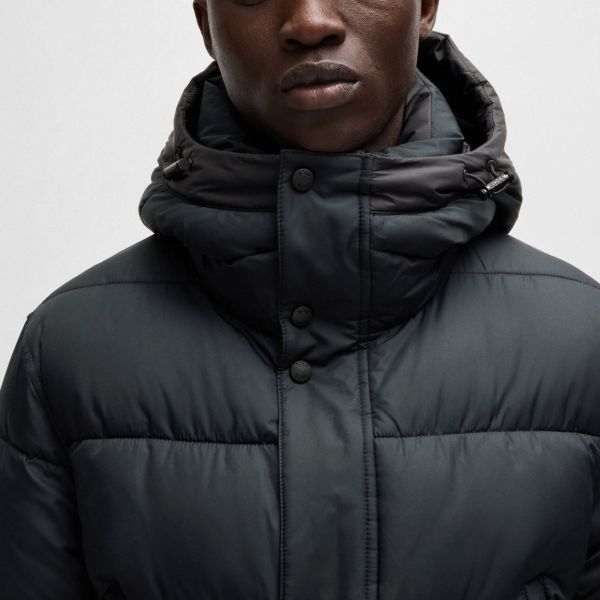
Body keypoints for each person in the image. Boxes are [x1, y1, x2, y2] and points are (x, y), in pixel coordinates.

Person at [1, 0, 599, 598]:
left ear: (425, 7)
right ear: (206, 22)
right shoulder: (70, 354)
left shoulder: (582, 343)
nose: (310, 21)